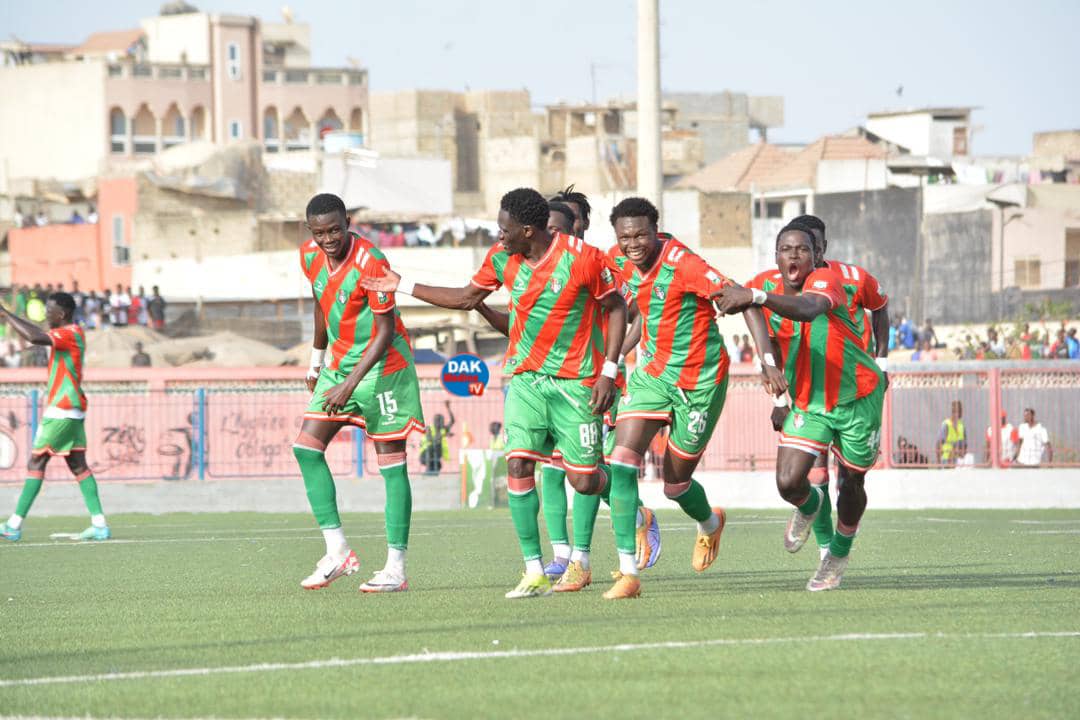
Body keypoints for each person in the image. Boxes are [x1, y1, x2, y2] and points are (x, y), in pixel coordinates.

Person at [360, 187, 629, 600]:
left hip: (577, 382)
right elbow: (467, 298)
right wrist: (403, 284)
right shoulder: (502, 259)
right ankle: (535, 570)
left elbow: (615, 308)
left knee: (584, 479)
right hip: (524, 379)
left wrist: (609, 371)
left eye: (504, 229)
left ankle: (623, 495)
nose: (498, 236)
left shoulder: (583, 259)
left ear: (527, 230)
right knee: (519, 465)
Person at [474, 194, 662, 586]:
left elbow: (631, 310)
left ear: (578, 226)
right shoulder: (526, 262)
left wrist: (613, 365)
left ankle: (587, 552)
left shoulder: (591, 260)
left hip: (590, 381)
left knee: (582, 474)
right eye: (554, 225)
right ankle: (563, 558)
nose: (559, 232)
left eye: (566, 224)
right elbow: (520, 324)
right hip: (538, 379)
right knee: (549, 471)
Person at [605, 197, 783, 598]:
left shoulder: (685, 265)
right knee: (621, 462)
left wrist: (767, 362)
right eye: (624, 237)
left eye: (640, 235)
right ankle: (628, 569)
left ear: (656, 229)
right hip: (652, 375)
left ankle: (710, 524)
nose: (633, 244)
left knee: (675, 485)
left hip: (699, 382)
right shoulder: (618, 260)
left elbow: (745, 301)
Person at [715, 224, 887, 592]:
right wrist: (768, 366)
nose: (793, 255)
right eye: (785, 249)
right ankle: (810, 505)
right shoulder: (765, 283)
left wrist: (756, 296)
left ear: (818, 255)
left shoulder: (827, 281)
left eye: (802, 250)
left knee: (852, 481)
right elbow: (751, 311)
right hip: (810, 402)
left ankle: (837, 555)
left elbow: (807, 310)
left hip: (858, 398)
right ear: (775, 255)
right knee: (788, 482)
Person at [295, 193, 426, 593]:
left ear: (347, 222)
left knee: (390, 462)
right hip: (338, 366)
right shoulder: (309, 255)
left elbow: (385, 332)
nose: (329, 238)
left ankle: (396, 568)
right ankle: (338, 552)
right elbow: (322, 303)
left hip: (384, 368)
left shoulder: (371, 263)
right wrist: (317, 362)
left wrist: (348, 384)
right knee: (306, 447)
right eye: (320, 232)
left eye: (335, 229)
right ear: (310, 231)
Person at [784, 214, 890, 558]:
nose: (802, 254)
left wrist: (883, 361)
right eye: (794, 247)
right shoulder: (778, 282)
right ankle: (825, 548)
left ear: (822, 248)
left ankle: (837, 548)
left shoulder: (852, 277)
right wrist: (776, 390)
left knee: (850, 479)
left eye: (811, 245)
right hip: (810, 393)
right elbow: (768, 331)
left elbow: (881, 307)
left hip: (854, 389)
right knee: (810, 475)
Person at [0, 293, 110, 542]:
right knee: (78, 465)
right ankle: (99, 525)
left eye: (49, 310)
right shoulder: (71, 333)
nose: (45, 314)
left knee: (36, 462)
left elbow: (34, 336)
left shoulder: (68, 333)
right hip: (72, 408)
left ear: (61, 314)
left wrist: (6, 314)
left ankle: (14, 525)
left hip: (61, 408)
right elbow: (35, 333)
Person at [419, 401, 455, 473]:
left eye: (441, 421)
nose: (439, 423)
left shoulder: (443, 429)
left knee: (438, 462)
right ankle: (428, 470)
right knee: (432, 446)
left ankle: (434, 470)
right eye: (437, 421)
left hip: (436, 455)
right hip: (425, 455)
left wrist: (448, 408)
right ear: (434, 421)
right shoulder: (429, 428)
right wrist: (444, 435)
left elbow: (452, 421)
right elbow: (430, 440)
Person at [937, 400, 967, 466]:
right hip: (946, 460)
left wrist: (962, 453)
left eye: (960, 411)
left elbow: (965, 445)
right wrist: (939, 464)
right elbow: (938, 444)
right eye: (955, 411)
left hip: (959, 460)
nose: (959, 413)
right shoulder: (946, 424)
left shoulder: (962, 426)